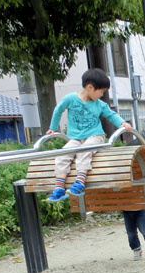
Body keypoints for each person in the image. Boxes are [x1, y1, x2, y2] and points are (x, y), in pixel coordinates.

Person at [46, 68, 132, 202]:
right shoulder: (71, 99)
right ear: (90, 87)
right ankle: (59, 187)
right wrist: (52, 128)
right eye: (101, 91)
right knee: (63, 154)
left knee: (84, 150)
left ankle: (80, 182)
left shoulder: (100, 105)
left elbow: (111, 115)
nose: (102, 95)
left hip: (95, 135)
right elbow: (58, 110)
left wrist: (122, 123)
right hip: (76, 138)